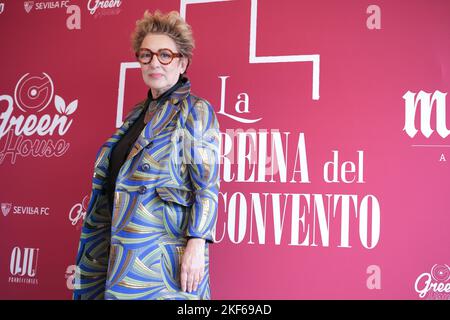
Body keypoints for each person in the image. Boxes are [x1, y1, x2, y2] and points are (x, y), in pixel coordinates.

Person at [73, 10, 220, 300]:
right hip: (113, 247)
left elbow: (207, 186)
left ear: (182, 62)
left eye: (165, 55)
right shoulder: (136, 115)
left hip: (159, 255)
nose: (155, 62)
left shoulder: (195, 110)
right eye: (146, 54)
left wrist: (197, 243)